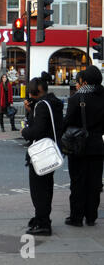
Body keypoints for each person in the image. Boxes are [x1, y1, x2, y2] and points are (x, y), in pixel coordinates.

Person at [21, 73, 63, 236]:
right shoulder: (54, 103)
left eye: (31, 92)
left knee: (38, 190)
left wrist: (25, 130)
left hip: (41, 154)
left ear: (37, 91)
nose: (30, 95)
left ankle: (43, 222)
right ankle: (42, 217)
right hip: (51, 151)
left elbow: (36, 130)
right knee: (46, 188)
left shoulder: (42, 106)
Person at [62, 65, 104, 227]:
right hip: (97, 145)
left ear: (84, 81)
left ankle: (76, 217)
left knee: (78, 182)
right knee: (94, 183)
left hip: (78, 147)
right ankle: (91, 216)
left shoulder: (76, 99)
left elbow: (67, 123)